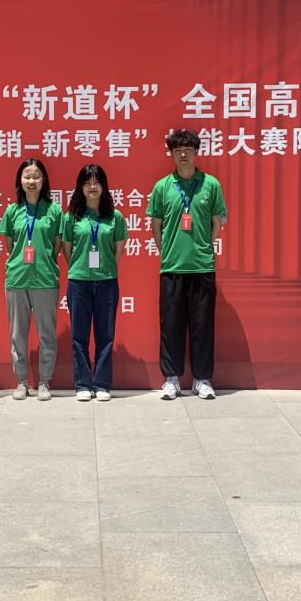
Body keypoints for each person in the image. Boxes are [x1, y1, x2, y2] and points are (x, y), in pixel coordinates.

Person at [147, 128, 228, 400]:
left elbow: (217, 222)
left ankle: (202, 379)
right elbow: (156, 225)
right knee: (170, 325)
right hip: (172, 267)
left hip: (202, 266)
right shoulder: (162, 186)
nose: (183, 155)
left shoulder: (211, 185)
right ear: (171, 154)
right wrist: (167, 252)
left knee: (202, 325)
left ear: (196, 153)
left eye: (188, 150)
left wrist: (203, 245)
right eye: (178, 150)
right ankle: (171, 379)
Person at [0, 158, 64, 400]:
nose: (31, 181)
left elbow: (57, 244)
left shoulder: (54, 210)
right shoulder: (12, 211)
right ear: (20, 180)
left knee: (47, 334)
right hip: (17, 279)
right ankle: (21, 381)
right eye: (27, 176)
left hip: (45, 279)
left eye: (36, 176)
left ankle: (45, 381)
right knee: (18, 334)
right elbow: (10, 245)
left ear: (44, 180)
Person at [62, 164, 127, 402]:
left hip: (107, 281)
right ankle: (82, 384)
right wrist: (80, 268)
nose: (92, 187)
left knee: (105, 336)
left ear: (104, 186)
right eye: (87, 182)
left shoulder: (115, 216)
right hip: (79, 282)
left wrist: (105, 268)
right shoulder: (71, 217)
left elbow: (118, 250)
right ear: (80, 187)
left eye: (97, 182)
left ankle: (101, 384)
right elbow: (67, 249)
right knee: (78, 336)